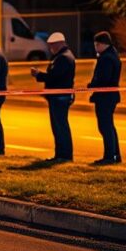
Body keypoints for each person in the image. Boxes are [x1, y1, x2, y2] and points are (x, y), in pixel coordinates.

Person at [31, 31, 76, 162]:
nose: (51, 48)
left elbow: (55, 77)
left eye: (52, 45)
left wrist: (39, 75)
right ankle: (60, 154)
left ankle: (64, 155)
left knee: (60, 126)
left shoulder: (63, 58)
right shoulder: (62, 56)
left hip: (59, 97)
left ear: (59, 44)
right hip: (57, 96)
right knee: (58, 126)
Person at [89, 31, 122, 165]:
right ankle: (115, 155)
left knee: (105, 127)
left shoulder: (106, 58)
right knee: (109, 126)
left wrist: (92, 85)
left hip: (105, 97)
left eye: (96, 44)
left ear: (103, 44)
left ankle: (109, 156)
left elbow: (104, 79)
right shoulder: (113, 55)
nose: (95, 47)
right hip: (110, 96)